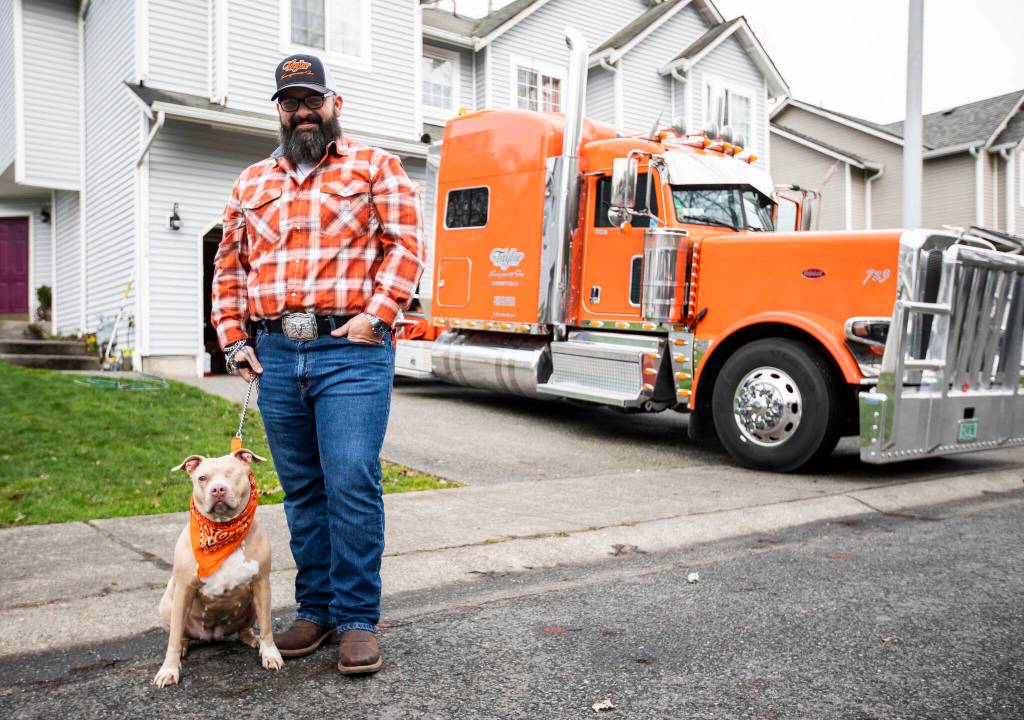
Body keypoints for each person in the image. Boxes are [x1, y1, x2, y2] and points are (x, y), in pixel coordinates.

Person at [211, 53, 423, 675]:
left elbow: (406, 246)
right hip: (275, 351)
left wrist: (377, 316)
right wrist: (234, 337)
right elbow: (230, 266)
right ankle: (319, 607)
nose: (302, 111)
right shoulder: (251, 182)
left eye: (312, 99)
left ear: (335, 103)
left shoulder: (376, 166)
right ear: (278, 110)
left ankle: (358, 618)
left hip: (350, 350)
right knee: (303, 487)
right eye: (290, 102)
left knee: (351, 478)